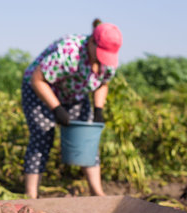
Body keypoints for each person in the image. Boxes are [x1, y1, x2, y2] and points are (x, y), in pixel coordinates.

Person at [21, 19, 122, 199]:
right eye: (100, 54)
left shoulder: (109, 62)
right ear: (92, 42)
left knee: (89, 136)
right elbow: (37, 79)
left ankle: (97, 192)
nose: (101, 60)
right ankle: (31, 193)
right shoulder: (69, 53)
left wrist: (98, 110)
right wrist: (57, 108)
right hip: (41, 88)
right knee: (42, 135)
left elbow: (102, 83)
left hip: (74, 93)